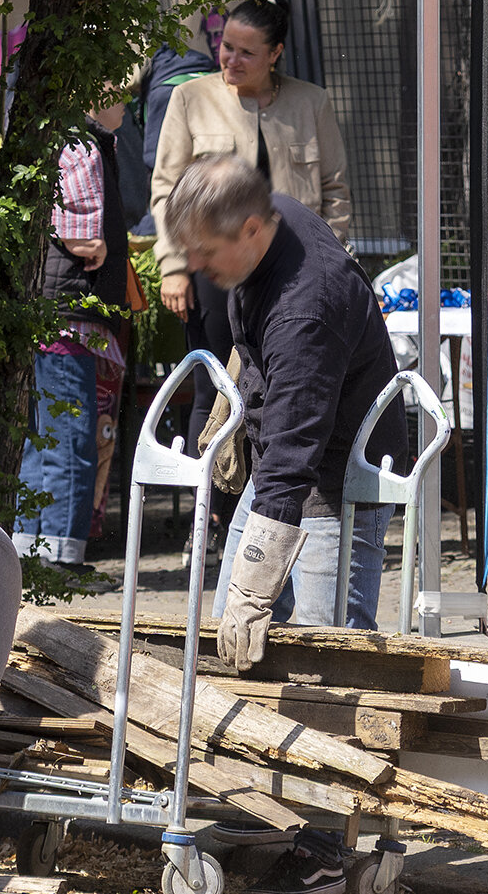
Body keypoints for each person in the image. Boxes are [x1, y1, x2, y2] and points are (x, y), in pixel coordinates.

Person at [161, 152, 404, 657]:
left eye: (205, 252)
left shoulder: (305, 312)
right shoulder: (277, 217)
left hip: (336, 482)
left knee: (329, 656)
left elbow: (295, 452)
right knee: (224, 639)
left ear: (251, 227)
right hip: (280, 461)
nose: (197, 266)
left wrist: (253, 594)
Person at [152, 0, 354, 316]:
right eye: (227, 46)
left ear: (275, 53)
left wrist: (326, 258)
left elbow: (335, 190)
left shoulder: (311, 103)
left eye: (247, 53)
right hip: (215, 267)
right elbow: (166, 190)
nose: (232, 60)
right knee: (216, 364)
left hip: (295, 265)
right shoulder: (190, 98)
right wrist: (174, 265)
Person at [17, 94, 138, 565]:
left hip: (50, 313)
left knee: (41, 437)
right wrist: (101, 247)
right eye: (122, 97)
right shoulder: (83, 144)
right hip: (72, 314)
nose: (127, 108)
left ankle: (30, 548)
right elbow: (81, 235)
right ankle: (63, 556)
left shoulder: (53, 133)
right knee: (71, 439)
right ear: (97, 97)